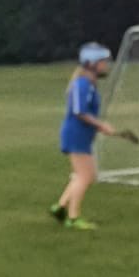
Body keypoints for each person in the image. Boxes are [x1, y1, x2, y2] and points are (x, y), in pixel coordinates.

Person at [50, 42, 119, 231]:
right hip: (76, 135)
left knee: (83, 175)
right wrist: (101, 125)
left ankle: (60, 207)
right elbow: (79, 112)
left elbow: (86, 113)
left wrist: (98, 127)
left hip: (81, 135)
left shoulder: (89, 85)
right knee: (86, 176)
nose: (106, 65)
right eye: (103, 62)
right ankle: (73, 218)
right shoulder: (82, 84)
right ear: (91, 64)